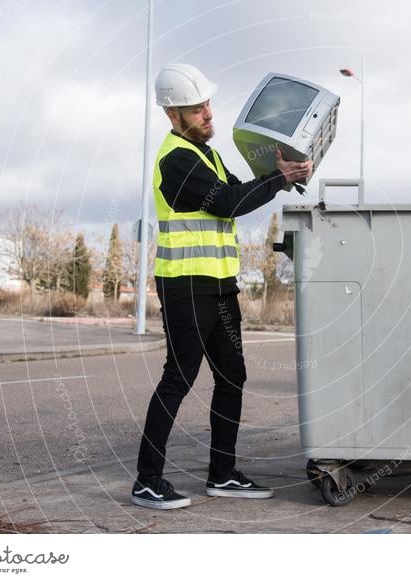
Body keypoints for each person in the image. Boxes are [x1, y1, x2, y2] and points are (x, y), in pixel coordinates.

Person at [131, 64, 312, 510]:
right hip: (186, 287)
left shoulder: (206, 155)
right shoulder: (175, 160)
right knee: (179, 377)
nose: (209, 114)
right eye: (197, 109)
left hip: (219, 288)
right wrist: (279, 179)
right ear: (173, 116)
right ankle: (147, 481)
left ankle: (222, 474)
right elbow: (228, 202)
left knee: (233, 376)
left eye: (209, 104)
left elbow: (240, 194)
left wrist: (277, 172)